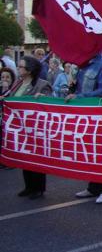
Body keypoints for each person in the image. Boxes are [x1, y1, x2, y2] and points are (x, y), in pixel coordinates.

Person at [1, 56, 52, 199]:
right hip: (20, 128)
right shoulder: (18, 83)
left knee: (35, 158)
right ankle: (29, 186)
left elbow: (50, 104)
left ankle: (38, 188)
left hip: (35, 129)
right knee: (24, 157)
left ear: (29, 70)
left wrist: (42, 98)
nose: (18, 69)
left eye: (21, 67)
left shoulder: (42, 84)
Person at [69, 53, 102, 204]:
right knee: (88, 149)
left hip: (97, 113)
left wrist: (80, 97)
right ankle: (93, 186)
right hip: (84, 114)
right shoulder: (83, 65)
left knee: (99, 150)